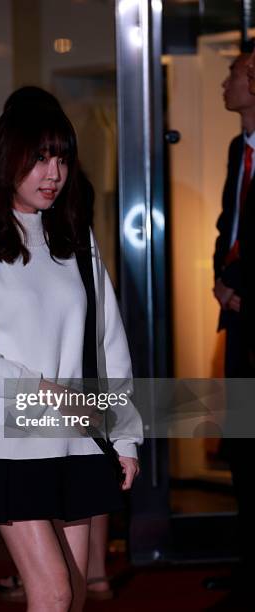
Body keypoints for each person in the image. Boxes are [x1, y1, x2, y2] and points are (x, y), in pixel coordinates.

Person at [0, 97, 143, 612]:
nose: (54, 174)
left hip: (76, 438)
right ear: (9, 159)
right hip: (8, 443)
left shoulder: (76, 242)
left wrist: (127, 435)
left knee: (72, 598)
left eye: (62, 159)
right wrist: (41, 391)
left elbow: (107, 345)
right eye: (40, 159)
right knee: (52, 593)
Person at [209, 47, 255, 604]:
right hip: (238, 320)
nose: (225, 82)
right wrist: (221, 282)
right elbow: (229, 225)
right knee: (243, 451)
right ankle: (246, 569)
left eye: (235, 74)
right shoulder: (235, 150)